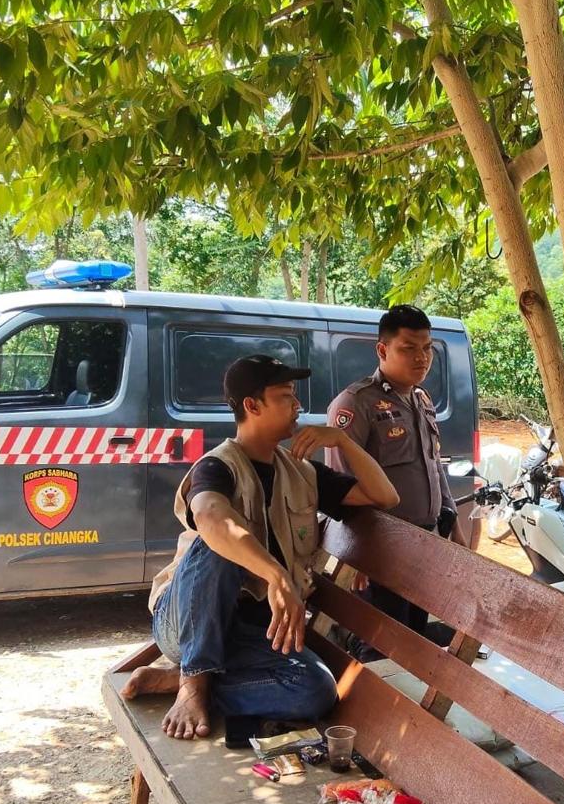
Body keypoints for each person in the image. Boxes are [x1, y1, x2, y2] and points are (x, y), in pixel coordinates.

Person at [121, 355, 400, 741]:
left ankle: (183, 681)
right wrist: (275, 574)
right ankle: (192, 683)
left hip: (249, 633)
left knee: (316, 689)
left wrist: (341, 440)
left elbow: (385, 497)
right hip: (186, 621)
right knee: (218, 542)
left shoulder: (303, 472)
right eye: (286, 396)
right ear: (252, 405)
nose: (298, 405)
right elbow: (211, 516)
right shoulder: (217, 467)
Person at [326, 305, 465, 653]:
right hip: (381, 552)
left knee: (413, 642)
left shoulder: (421, 400)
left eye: (427, 348)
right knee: (380, 648)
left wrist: (455, 528)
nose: (422, 358)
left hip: (424, 546)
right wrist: (357, 553)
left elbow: (434, 465)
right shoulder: (355, 403)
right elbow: (341, 484)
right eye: (409, 348)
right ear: (382, 349)